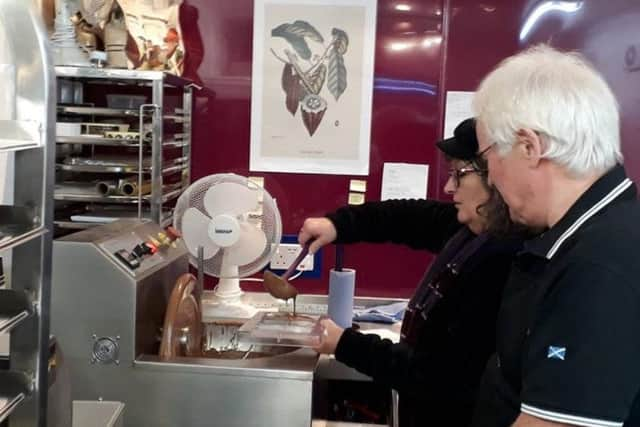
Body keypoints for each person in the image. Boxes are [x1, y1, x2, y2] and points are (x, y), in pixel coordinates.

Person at [298, 118, 525, 427]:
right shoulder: (473, 231)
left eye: (459, 174)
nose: (448, 187)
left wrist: (345, 344)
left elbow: (438, 377)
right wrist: (338, 224)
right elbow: (408, 217)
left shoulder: (502, 263)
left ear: (496, 175)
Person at [471, 44, 640, 427]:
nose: (490, 179)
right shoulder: (590, 236)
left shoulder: (601, 264)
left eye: (487, 158)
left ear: (529, 147)